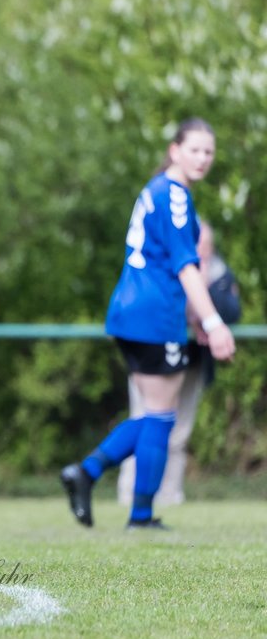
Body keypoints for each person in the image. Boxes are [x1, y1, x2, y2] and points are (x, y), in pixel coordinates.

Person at [60, 118, 235, 530]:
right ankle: (126, 504)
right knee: (160, 416)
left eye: (209, 152)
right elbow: (186, 267)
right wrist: (213, 323)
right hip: (154, 315)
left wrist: (195, 317)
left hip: (130, 311)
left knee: (156, 415)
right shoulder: (174, 196)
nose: (203, 158)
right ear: (174, 150)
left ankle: (90, 476)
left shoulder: (154, 190)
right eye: (194, 149)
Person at [115, 222, 241, 507]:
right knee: (147, 423)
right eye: (197, 244)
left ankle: (167, 496)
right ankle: (130, 495)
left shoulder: (218, 273)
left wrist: (205, 285)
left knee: (176, 431)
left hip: (192, 360)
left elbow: (232, 310)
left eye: (206, 247)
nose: (201, 251)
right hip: (155, 355)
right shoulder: (159, 268)